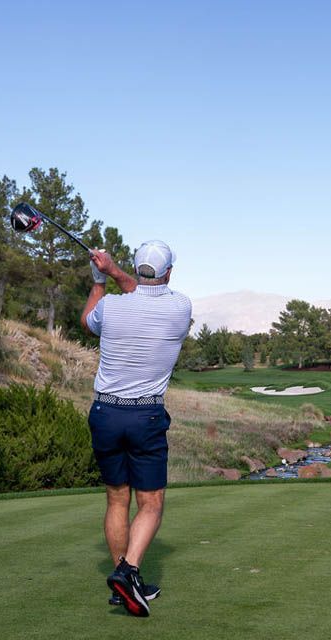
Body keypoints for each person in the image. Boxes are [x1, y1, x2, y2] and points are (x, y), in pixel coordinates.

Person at [80, 240, 192, 617]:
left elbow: (88, 320)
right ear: (169, 272)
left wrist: (100, 279)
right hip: (144, 417)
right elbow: (141, 290)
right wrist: (112, 272)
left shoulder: (110, 306)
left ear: (134, 268)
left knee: (116, 499)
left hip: (105, 414)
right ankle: (127, 572)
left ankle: (123, 584)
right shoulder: (180, 308)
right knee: (151, 503)